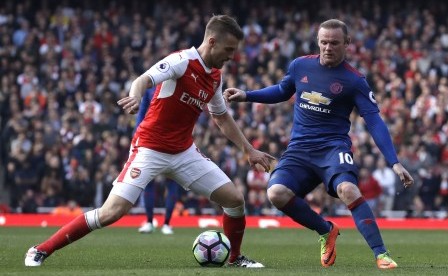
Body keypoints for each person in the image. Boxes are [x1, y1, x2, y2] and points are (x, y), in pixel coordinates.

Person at [25, 15, 275, 268]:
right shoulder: (181, 61)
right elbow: (142, 80)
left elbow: (221, 117)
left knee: (234, 200)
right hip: (150, 148)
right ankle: (40, 249)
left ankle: (235, 259)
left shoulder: (215, 76)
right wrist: (134, 97)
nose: (232, 56)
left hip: (184, 152)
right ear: (212, 42)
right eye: (228, 49)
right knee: (112, 212)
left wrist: (249, 150)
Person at [223, 18, 414, 269]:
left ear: (347, 44)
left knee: (349, 190)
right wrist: (248, 95)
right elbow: (282, 91)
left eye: (334, 43)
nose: (328, 47)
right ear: (317, 42)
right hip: (299, 150)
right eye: (323, 42)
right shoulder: (300, 65)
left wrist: (395, 162)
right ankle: (326, 230)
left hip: (333, 149)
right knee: (275, 193)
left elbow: (374, 121)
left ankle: (381, 254)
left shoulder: (355, 80)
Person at [135, 88, 179, 235]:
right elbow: (142, 113)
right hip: (152, 139)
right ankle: (150, 221)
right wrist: (138, 136)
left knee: (172, 181)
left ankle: (166, 222)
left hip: (173, 139)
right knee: (149, 181)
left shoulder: (179, 84)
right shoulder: (150, 88)